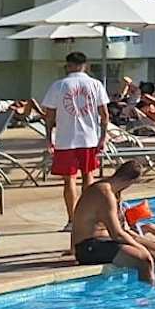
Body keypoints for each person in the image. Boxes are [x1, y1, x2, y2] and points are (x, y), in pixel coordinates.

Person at [41, 50, 111, 245]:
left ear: (69, 65)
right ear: (85, 66)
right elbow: (105, 115)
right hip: (89, 139)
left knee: (69, 180)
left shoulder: (59, 85)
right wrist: (103, 137)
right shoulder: (95, 84)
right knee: (89, 177)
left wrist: (48, 138)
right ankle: (88, 217)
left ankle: (72, 220)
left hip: (66, 140)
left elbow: (49, 116)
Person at [68, 164, 155, 281]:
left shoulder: (113, 192)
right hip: (88, 248)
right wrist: (141, 247)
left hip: (106, 242)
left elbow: (123, 230)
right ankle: (149, 291)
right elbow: (117, 234)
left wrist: (150, 245)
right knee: (145, 259)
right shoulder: (104, 193)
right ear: (131, 181)